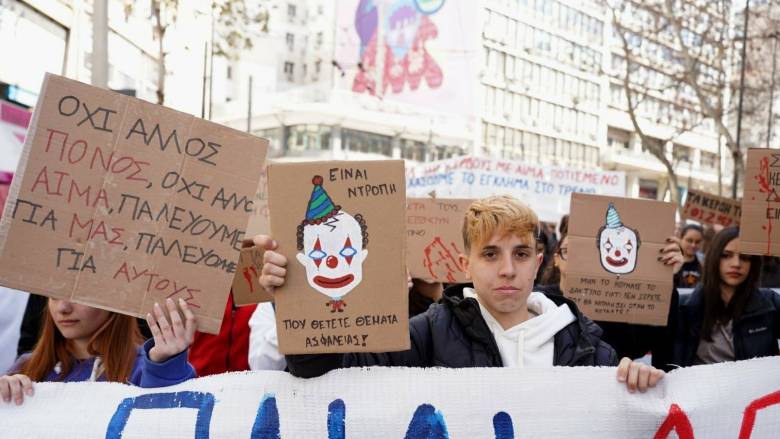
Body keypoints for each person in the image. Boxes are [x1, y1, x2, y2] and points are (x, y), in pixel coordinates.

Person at [257, 195, 664, 392]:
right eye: (490, 253)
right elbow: (320, 374)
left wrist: (640, 380)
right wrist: (297, 295)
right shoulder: (428, 333)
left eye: (520, 253)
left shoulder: (586, 345)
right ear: (464, 263)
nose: (508, 269)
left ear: (539, 261)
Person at [1, 298, 197, 405]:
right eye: (54, 295)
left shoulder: (146, 369)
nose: (63, 307)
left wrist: (165, 370)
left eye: (79, 296)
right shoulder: (26, 367)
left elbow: (167, 422)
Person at [538, 234, 683, 371]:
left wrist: (663, 285)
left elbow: (655, 347)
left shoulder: (613, 305)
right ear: (556, 259)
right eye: (569, 250)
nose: (578, 257)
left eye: (587, 250)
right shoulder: (539, 299)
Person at [673, 226, 780, 366]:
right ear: (714, 258)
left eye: (745, 257)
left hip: (753, 386)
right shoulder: (683, 308)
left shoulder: (770, 304)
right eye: (726, 255)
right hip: (698, 386)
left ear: (753, 263)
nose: (736, 264)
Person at [677, 224, 704, 288]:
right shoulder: (670, 263)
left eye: (697, 242)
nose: (693, 245)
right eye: (689, 240)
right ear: (680, 239)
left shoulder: (704, 266)